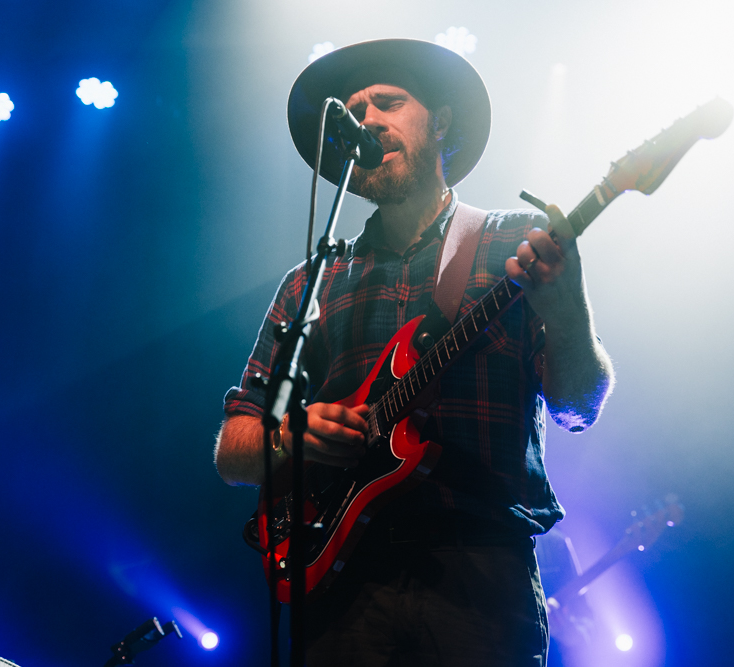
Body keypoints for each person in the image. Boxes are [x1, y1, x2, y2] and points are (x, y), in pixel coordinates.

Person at [214, 39, 614, 667]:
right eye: (354, 111)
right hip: (341, 585)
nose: (368, 119)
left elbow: (576, 406)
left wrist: (567, 309)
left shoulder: (514, 244)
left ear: (442, 121)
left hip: (478, 575)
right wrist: (296, 435)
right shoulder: (313, 279)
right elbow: (234, 449)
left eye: (389, 102)